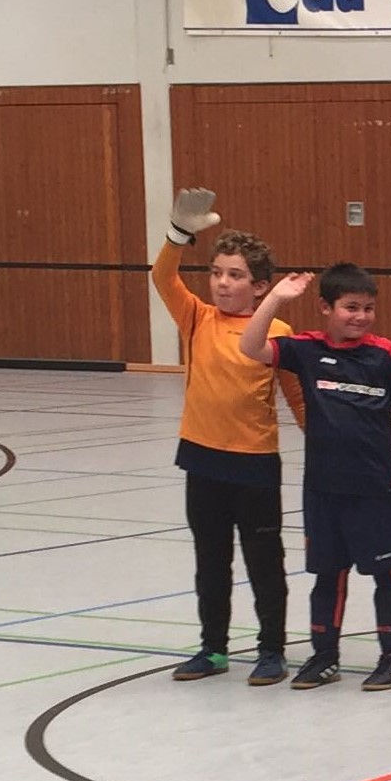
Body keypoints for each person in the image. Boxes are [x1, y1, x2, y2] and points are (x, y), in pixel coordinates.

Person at [240, 264, 391, 694]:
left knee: (386, 571)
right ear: (325, 307)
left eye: (368, 308)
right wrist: (276, 298)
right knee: (328, 574)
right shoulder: (306, 350)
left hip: (374, 487)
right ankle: (324, 656)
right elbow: (250, 346)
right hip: (323, 488)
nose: (360, 316)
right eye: (350, 307)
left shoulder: (384, 354)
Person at [152, 189, 305, 686]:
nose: (222, 282)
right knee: (211, 561)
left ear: (260, 287)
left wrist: (329, 449)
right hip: (202, 460)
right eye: (217, 273)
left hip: (254, 464)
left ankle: (271, 650)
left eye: (235, 275)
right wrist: (178, 235)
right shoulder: (197, 318)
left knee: (264, 563)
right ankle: (213, 648)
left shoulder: (277, 330)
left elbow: (298, 399)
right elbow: (162, 277)